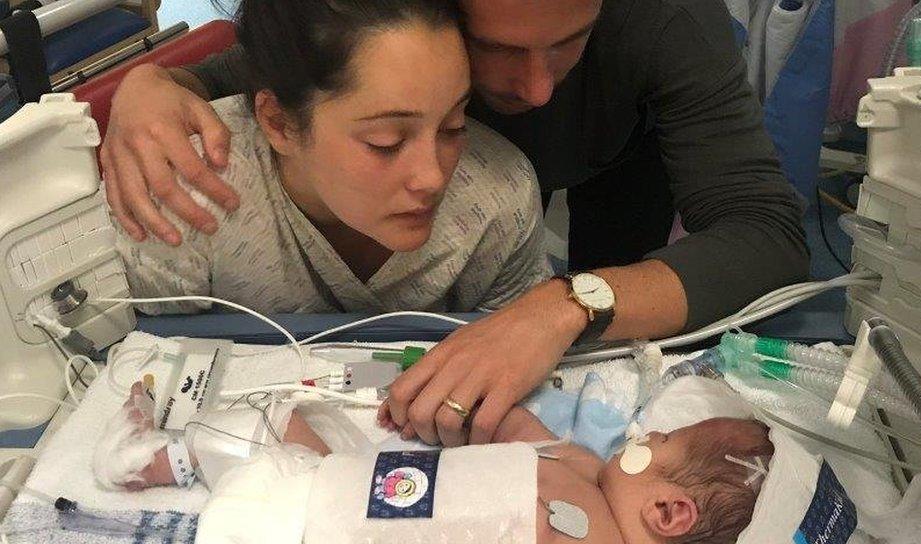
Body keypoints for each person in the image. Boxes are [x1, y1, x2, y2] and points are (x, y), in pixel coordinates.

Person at [101, 0, 810, 447]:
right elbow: (291, 59)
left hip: (605, 173)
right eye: (499, 48)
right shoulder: (208, 192)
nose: (536, 89)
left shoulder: (663, 24)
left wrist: (565, 304)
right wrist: (153, 84)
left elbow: (765, 232)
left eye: (569, 40)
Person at [114, 0, 551, 316]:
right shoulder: (185, 192)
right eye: (386, 141)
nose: (433, 178)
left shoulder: (498, 199)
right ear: (279, 123)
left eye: (454, 125)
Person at [97, 382, 775, 544]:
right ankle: (147, 452)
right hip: (326, 484)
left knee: (257, 451)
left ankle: (151, 456)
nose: (642, 435)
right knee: (280, 420)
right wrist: (457, 402)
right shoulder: (585, 471)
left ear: (669, 513)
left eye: (656, 445)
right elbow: (511, 427)